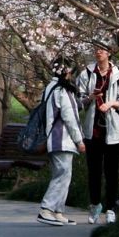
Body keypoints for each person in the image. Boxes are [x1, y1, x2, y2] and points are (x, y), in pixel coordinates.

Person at [77, 43, 119, 224]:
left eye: (102, 49)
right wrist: (90, 98)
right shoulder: (86, 74)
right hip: (92, 131)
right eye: (96, 49)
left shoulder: (118, 75)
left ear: (109, 52)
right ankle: (94, 205)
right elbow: (78, 102)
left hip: (113, 131)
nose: (98, 52)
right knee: (94, 171)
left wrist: (112, 104)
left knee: (111, 172)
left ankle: (110, 208)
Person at [38, 57, 86, 227]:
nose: (71, 75)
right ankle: (46, 209)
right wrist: (79, 140)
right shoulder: (61, 90)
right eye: (70, 71)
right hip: (62, 139)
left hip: (53, 138)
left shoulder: (50, 87)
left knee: (64, 175)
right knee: (62, 175)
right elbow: (70, 117)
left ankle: (58, 211)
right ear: (66, 72)